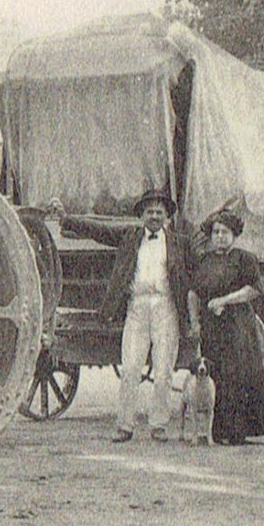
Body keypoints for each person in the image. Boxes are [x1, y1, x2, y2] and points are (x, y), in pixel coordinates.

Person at [49, 188, 192, 443]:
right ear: (141, 216)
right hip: (137, 307)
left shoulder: (180, 242)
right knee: (130, 369)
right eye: (150, 212)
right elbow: (97, 231)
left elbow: (197, 270)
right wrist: (66, 219)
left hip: (166, 307)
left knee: (163, 371)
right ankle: (125, 425)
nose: (155, 217)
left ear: (167, 217)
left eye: (160, 212)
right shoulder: (129, 236)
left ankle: (158, 425)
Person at [190, 208, 264, 445]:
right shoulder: (204, 261)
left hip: (237, 324)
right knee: (215, 375)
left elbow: (253, 289)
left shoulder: (244, 258)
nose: (219, 236)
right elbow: (193, 292)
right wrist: (195, 321)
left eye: (225, 232)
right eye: (215, 232)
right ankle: (217, 432)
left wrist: (225, 301)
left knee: (237, 374)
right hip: (212, 326)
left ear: (234, 235)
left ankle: (239, 432)